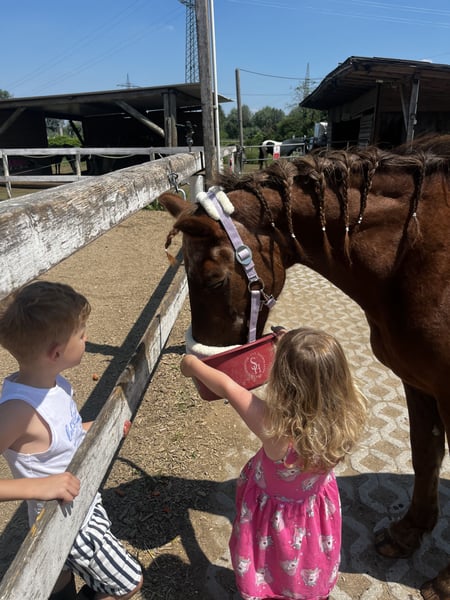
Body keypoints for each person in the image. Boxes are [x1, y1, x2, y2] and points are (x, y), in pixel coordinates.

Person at [181, 326, 367, 600]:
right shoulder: (348, 416)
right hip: (313, 509)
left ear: (282, 380)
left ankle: (269, 590)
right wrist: (291, 344)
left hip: (275, 515)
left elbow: (226, 386)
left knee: (272, 559)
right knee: (307, 558)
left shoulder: (273, 427)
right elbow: (318, 373)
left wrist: (192, 365)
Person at [0, 281, 143, 600]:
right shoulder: (18, 411)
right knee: (129, 583)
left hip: (75, 506)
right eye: (81, 334)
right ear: (56, 353)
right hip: (67, 519)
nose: (86, 339)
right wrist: (38, 487)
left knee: (58, 579)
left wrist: (98, 429)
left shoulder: (52, 385)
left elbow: (63, 434)